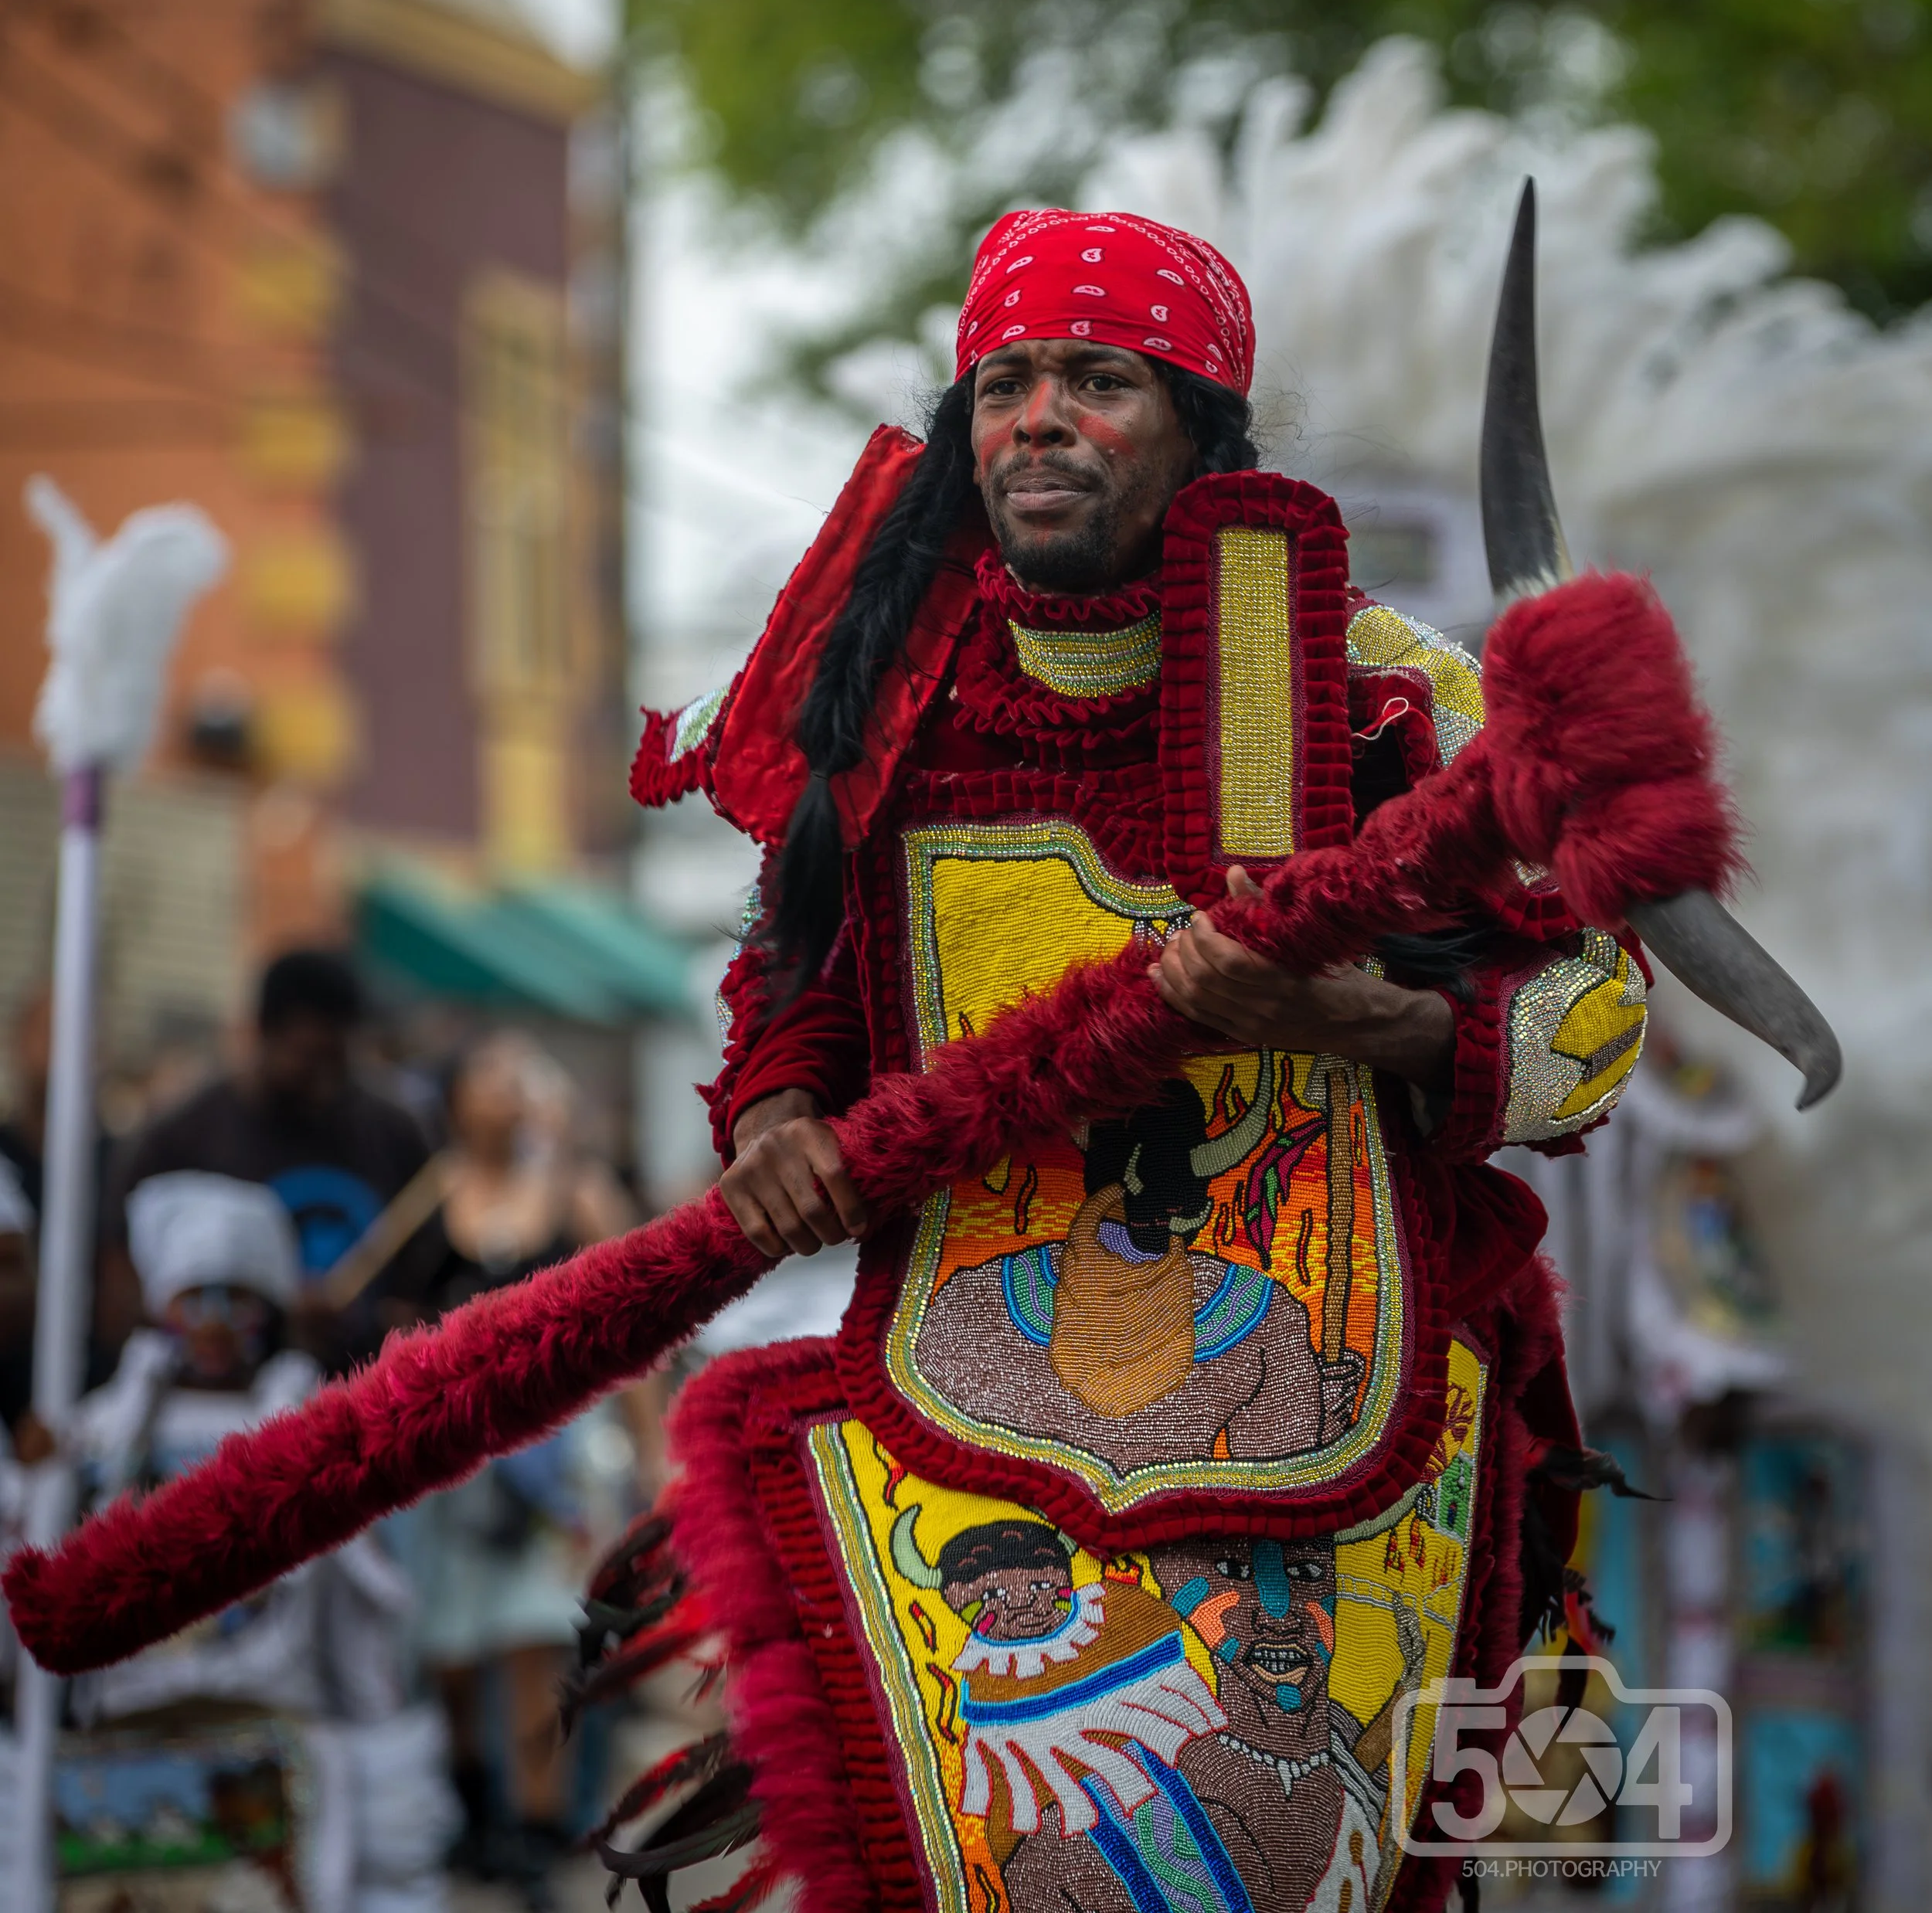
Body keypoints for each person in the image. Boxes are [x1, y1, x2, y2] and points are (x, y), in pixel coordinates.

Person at [609, 208, 1652, 1908]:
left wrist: (1347, 1017)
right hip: (970, 1421)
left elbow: (1589, 1016)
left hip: (1333, 1419)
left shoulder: (1385, 698)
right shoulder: (885, 695)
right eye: (1002, 380)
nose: (1034, 418)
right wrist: (780, 1108)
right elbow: (799, 960)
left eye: (1093, 379)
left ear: (1197, 428)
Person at [50, 1171, 456, 1913]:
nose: (212, 1321)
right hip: (126, 1750)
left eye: (234, 1299)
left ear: (266, 1310)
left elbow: (355, 1616)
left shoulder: (308, 1433)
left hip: (272, 1747)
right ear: (162, 1309)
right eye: (193, 1298)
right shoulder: (102, 1435)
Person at [374, 1033, 630, 1907]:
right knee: (447, 1642)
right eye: (490, 1072)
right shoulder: (427, 1197)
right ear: (454, 1097)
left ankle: (534, 1828)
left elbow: (641, 1328)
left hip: (553, 1459)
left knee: (536, 1637)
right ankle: (474, 1806)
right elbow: (379, 1314)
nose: (508, 1089)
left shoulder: (576, 1192)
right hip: (449, 1454)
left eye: (521, 1073)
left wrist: (659, 1449)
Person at [102, 950, 434, 1369]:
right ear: (259, 1034)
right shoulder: (179, 1139)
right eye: (307, 1057)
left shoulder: (395, 1133)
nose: (325, 1081)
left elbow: (427, 1283)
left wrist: (397, 1319)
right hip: (228, 1412)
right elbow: (121, 1298)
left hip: (368, 1398)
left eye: (339, 1059)